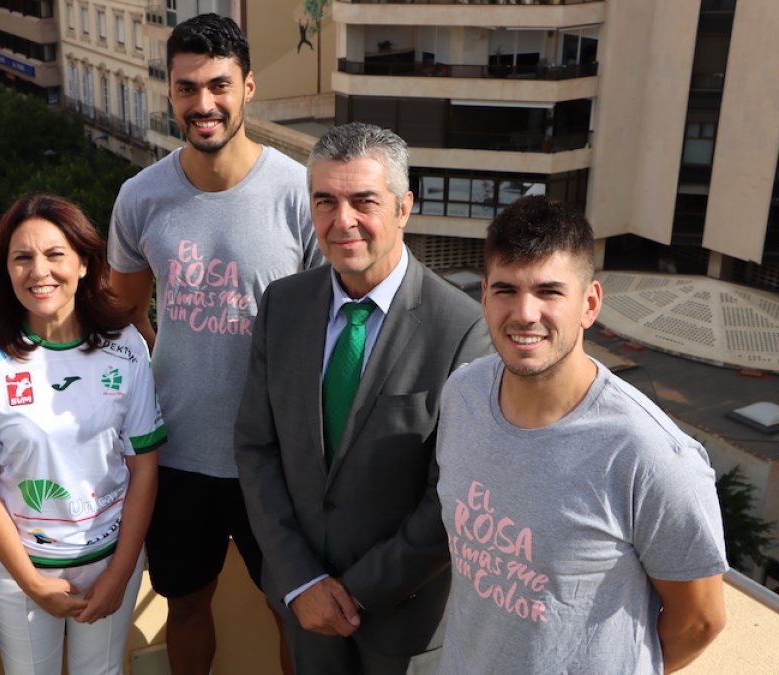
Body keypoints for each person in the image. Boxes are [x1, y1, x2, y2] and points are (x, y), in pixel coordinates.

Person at [107, 13, 322, 675]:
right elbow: (124, 313)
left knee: (294, 612)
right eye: (187, 87)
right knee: (185, 604)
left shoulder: (300, 194)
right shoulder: (141, 198)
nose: (203, 103)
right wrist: (174, 370)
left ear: (248, 87)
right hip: (179, 455)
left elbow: (325, 329)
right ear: (169, 92)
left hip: (277, 459)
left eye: (219, 85)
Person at [234, 122, 491, 675]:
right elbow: (256, 447)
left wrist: (354, 592)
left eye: (363, 201)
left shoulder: (463, 330)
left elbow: (456, 492)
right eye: (324, 200)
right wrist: (300, 579)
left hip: (404, 623)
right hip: (303, 610)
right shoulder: (282, 306)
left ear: (404, 208)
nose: (342, 220)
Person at [435, 196, 728, 673]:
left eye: (549, 291)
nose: (525, 313)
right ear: (485, 297)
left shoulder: (649, 453)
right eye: (507, 290)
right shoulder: (463, 394)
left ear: (589, 304)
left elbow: (700, 620)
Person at [0, 194, 165, 675]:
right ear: (6, 271)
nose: (39, 271)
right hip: (20, 568)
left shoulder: (127, 348)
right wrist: (30, 581)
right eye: (22, 258)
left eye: (55, 255)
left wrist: (120, 571)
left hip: (111, 560)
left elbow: (144, 466)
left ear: (86, 263)